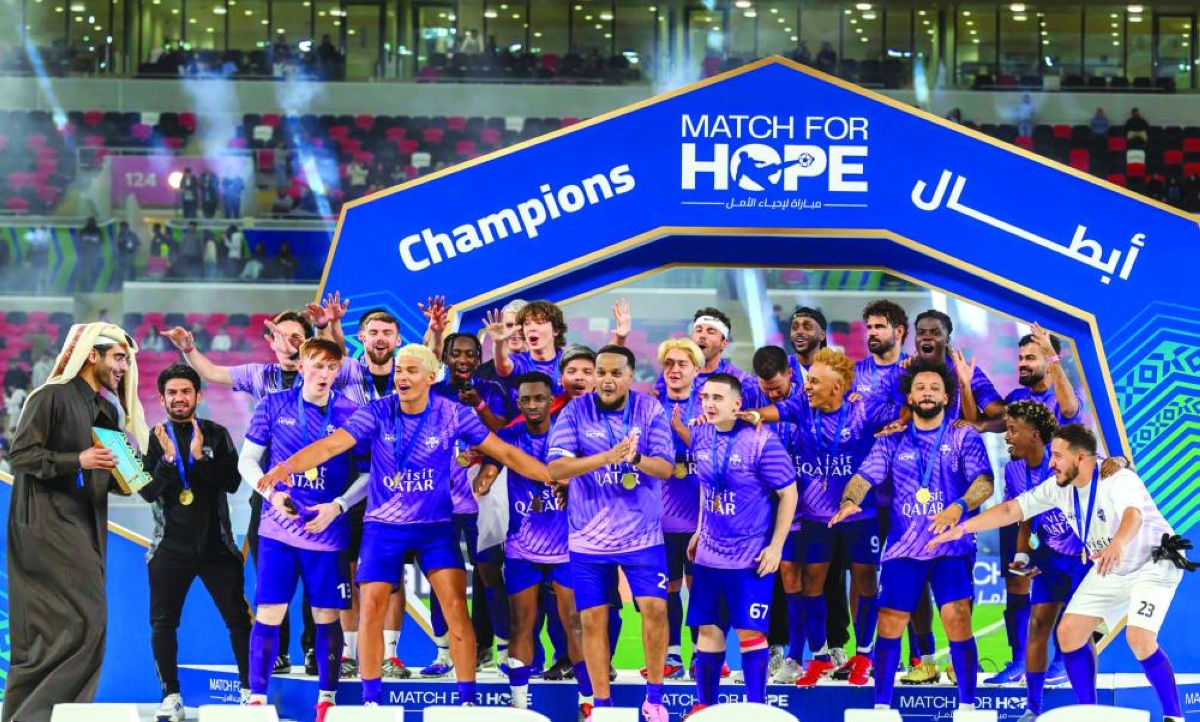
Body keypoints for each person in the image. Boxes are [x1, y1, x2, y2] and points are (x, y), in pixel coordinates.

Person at [254, 344, 552, 708]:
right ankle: (371, 702)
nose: (401, 377)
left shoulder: (454, 414)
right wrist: (288, 466)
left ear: (432, 377)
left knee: (456, 606)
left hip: (435, 527)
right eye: (398, 371)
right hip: (383, 528)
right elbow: (332, 446)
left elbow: (504, 452)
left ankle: (468, 703)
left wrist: (551, 476)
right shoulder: (377, 411)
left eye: (411, 370)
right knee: (371, 608)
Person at [927, 423, 1193, 722]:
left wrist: (1117, 542)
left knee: (1139, 638)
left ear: (1080, 458)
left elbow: (1134, 515)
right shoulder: (1057, 487)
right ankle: (1090, 714)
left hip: (1153, 561)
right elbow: (1012, 510)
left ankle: (1174, 716)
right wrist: (962, 527)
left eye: (1057, 455)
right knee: (1069, 633)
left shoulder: (1117, 479)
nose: (1050, 463)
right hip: (1111, 564)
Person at [829, 358, 995, 711]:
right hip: (904, 548)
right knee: (890, 622)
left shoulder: (963, 435)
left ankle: (967, 707)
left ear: (947, 397)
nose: (927, 393)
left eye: (935, 388)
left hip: (950, 544)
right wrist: (849, 500)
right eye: (920, 387)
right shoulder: (892, 441)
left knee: (957, 617)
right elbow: (864, 477)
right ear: (910, 396)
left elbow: (985, 482)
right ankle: (881, 708)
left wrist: (959, 507)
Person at [3, 323, 149, 722]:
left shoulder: (105, 410)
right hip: (44, 529)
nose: (124, 367)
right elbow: (22, 456)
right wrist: (78, 460)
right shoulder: (49, 396)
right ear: (92, 354)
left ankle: (52, 714)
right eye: (119, 357)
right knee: (65, 628)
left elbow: (124, 482)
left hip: (84, 530)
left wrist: (148, 466)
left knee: (84, 627)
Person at [742, 348, 892, 686]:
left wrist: (902, 419)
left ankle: (864, 656)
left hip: (859, 513)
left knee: (866, 584)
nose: (806, 386)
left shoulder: (863, 409)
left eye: (813, 381)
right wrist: (751, 416)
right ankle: (820, 657)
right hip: (813, 516)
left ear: (837, 387)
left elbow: (905, 408)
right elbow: (771, 412)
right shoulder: (800, 407)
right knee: (812, 587)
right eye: (807, 380)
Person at [547, 345, 675, 720]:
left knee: (654, 609)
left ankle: (654, 699)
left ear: (630, 376)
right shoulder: (575, 410)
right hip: (589, 536)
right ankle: (602, 705)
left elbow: (666, 469)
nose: (606, 379)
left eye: (615, 373)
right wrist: (606, 457)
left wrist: (633, 458)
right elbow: (556, 469)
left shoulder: (650, 410)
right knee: (592, 619)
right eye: (600, 372)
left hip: (642, 535)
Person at [239, 339, 365, 722]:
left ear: (340, 369)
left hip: (328, 531)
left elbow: (367, 472)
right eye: (317, 365)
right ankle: (257, 698)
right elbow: (248, 461)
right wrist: (271, 495)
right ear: (302, 365)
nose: (324, 374)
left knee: (326, 615)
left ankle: (327, 698)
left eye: (331, 367)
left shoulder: (352, 412)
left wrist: (338, 506)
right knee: (270, 610)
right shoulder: (273, 405)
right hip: (278, 530)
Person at [140, 364, 251, 721]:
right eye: (172, 392)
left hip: (217, 548)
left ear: (197, 396)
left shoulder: (216, 434)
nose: (179, 398)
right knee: (163, 623)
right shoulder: (155, 438)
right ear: (162, 398)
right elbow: (148, 491)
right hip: (169, 549)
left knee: (238, 621)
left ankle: (250, 692)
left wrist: (200, 457)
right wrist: (169, 461)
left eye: (186, 391)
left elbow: (232, 482)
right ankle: (171, 696)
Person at [475, 372, 590, 717]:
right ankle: (519, 706)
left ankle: (587, 702)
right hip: (523, 547)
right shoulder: (510, 434)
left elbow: (586, 470)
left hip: (567, 545)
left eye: (538, 398)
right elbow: (493, 461)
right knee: (521, 623)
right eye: (525, 400)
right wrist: (485, 476)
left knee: (574, 620)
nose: (532, 406)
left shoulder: (569, 433)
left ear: (550, 397)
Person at [684, 374, 797, 718]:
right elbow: (708, 487)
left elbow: (788, 494)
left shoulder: (763, 440)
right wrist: (699, 529)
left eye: (718, 397)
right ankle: (705, 707)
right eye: (705, 397)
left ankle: (756, 709)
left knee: (750, 632)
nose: (710, 404)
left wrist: (776, 546)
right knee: (708, 629)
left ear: (737, 404)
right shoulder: (700, 435)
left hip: (749, 557)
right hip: (708, 555)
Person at [423, 332, 512, 676]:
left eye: (470, 354)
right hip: (440, 503)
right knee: (440, 578)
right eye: (455, 353)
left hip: (481, 502)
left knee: (491, 575)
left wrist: (479, 405)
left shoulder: (492, 390)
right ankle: (443, 654)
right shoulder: (432, 391)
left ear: (479, 358)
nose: (462, 359)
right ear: (445, 357)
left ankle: (501, 654)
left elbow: (503, 432)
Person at [992, 401, 1087, 714]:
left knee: (1077, 632)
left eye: (1013, 430)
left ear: (1034, 435)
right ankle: (1033, 709)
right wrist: (1023, 553)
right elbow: (1025, 515)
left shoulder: (1062, 461)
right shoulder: (1013, 469)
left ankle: (1089, 707)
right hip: (1049, 555)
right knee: (1037, 626)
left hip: (1083, 557)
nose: (1006, 436)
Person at [654, 338, 705, 680]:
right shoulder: (649, 407)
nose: (674, 369)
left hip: (700, 518)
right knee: (669, 589)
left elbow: (714, 455)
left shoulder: (709, 407)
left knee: (698, 587)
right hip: (659, 519)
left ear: (696, 370)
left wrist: (683, 433)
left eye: (682, 364)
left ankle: (703, 654)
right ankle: (672, 655)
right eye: (669, 363)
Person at [655, 308, 755, 397]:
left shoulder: (741, 380)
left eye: (711, 332)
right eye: (698, 330)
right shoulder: (673, 374)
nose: (702, 336)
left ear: (723, 343)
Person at [1004, 324, 1083, 426]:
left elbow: (1068, 409)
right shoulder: (1016, 396)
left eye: (1030, 358)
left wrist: (1050, 353)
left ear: (1049, 363)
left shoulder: (1071, 395)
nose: (1022, 364)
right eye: (1020, 358)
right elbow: (987, 423)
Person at [855, 300, 909, 418]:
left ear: (899, 331)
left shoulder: (913, 369)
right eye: (869, 327)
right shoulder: (855, 372)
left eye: (879, 327)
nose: (872, 333)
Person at [786, 306, 828, 382]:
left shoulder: (837, 369)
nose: (799, 332)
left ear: (822, 335)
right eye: (795, 327)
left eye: (807, 327)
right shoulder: (780, 367)